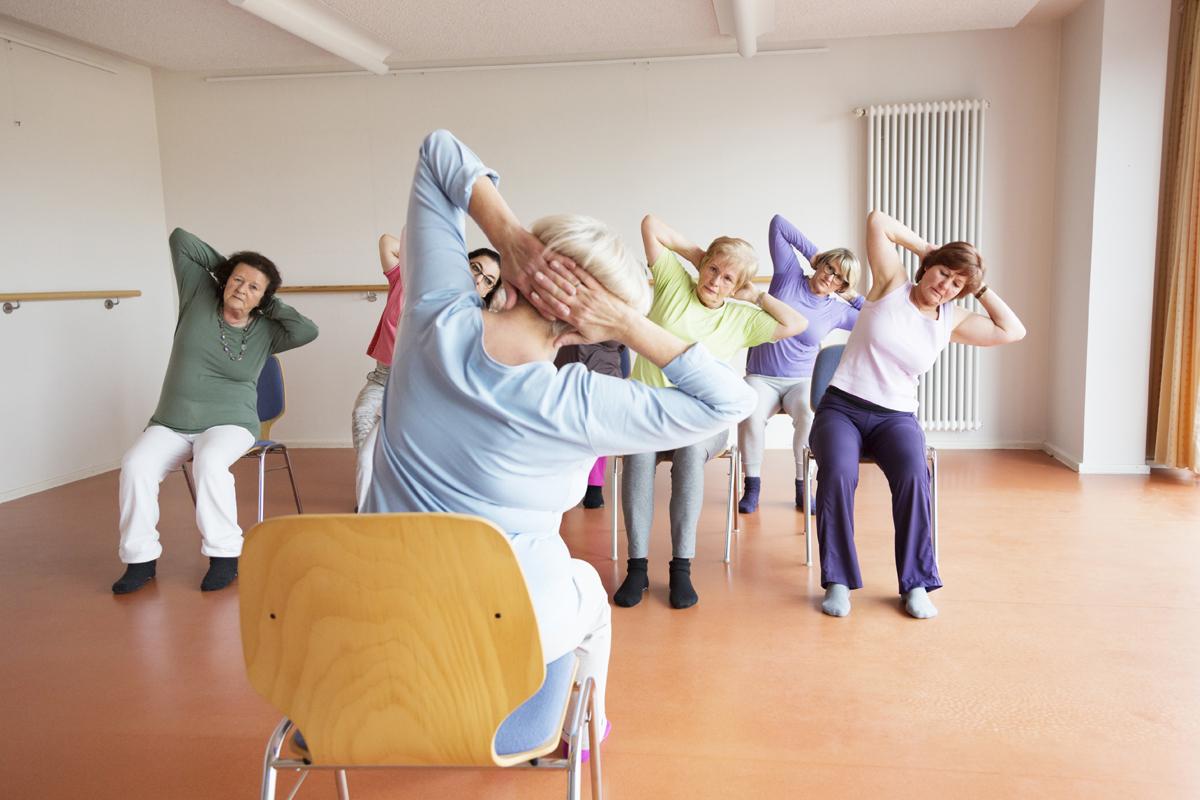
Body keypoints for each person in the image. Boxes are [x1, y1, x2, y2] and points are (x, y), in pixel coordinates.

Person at [364, 130, 756, 753]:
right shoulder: (578, 404)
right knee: (588, 593)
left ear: (515, 272)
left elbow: (439, 151)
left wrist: (508, 237)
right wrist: (629, 324)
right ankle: (583, 736)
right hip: (492, 668)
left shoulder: (432, 318)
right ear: (585, 327)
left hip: (369, 652)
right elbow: (731, 403)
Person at [810, 210, 1026, 619]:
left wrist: (979, 286)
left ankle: (916, 583)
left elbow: (1012, 330)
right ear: (928, 268)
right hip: (842, 407)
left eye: (957, 284)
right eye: (943, 273)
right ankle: (838, 580)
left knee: (914, 476)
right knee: (838, 472)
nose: (945, 286)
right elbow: (878, 221)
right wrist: (928, 249)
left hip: (896, 418)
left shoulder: (952, 320)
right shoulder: (891, 283)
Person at [613, 216, 809, 610]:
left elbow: (797, 323)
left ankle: (681, 568)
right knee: (638, 456)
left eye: (728, 278)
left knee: (689, 453)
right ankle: (637, 567)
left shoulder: (741, 317)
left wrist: (757, 297)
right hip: (649, 410)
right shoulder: (673, 282)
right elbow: (651, 225)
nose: (716, 281)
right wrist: (699, 256)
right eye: (713, 270)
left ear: (738, 287)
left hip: (702, 419)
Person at [112, 229, 319, 595]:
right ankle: (140, 560)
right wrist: (230, 271)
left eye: (253, 287)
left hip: (231, 423)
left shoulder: (268, 331)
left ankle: (225, 556)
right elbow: (180, 240)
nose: (241, 289)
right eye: (237, 280)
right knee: (136, 465)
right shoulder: (198, 296)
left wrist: (266, 301)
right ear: (224, 280)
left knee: (210, 462)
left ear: (264, 298)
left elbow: (308, 330)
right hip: (172, 422)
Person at [351, 230, 501, 509]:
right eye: (475, 268)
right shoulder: (412, 279)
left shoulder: (475, 318)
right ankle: (371, 503)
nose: (478, 279)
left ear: (488, 291)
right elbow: (387, 242)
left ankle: (405, 499)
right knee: (363, 424)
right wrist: (437, 261)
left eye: (488, 280)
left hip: (427, 391)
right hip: (384, 379)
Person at [738, 214, 862, 514]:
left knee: (809, 415)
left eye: (839, 278)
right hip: (761, 377)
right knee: (750, 412)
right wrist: (813, 254)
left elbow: (875, 318)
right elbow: (778, 224)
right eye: (829, 268)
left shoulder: (837, 311)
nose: (830, 277)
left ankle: (802, 487)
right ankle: (752, 486)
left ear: (843, 285)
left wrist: (852, 296)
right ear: (821, 264)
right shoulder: (788, 275)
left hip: (801, 381)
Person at [553, 340, 627, 508]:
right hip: (599, 376)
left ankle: (575, 483)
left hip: (570, 371)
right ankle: (593, 487)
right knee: (597, 428)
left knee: (570, 429)